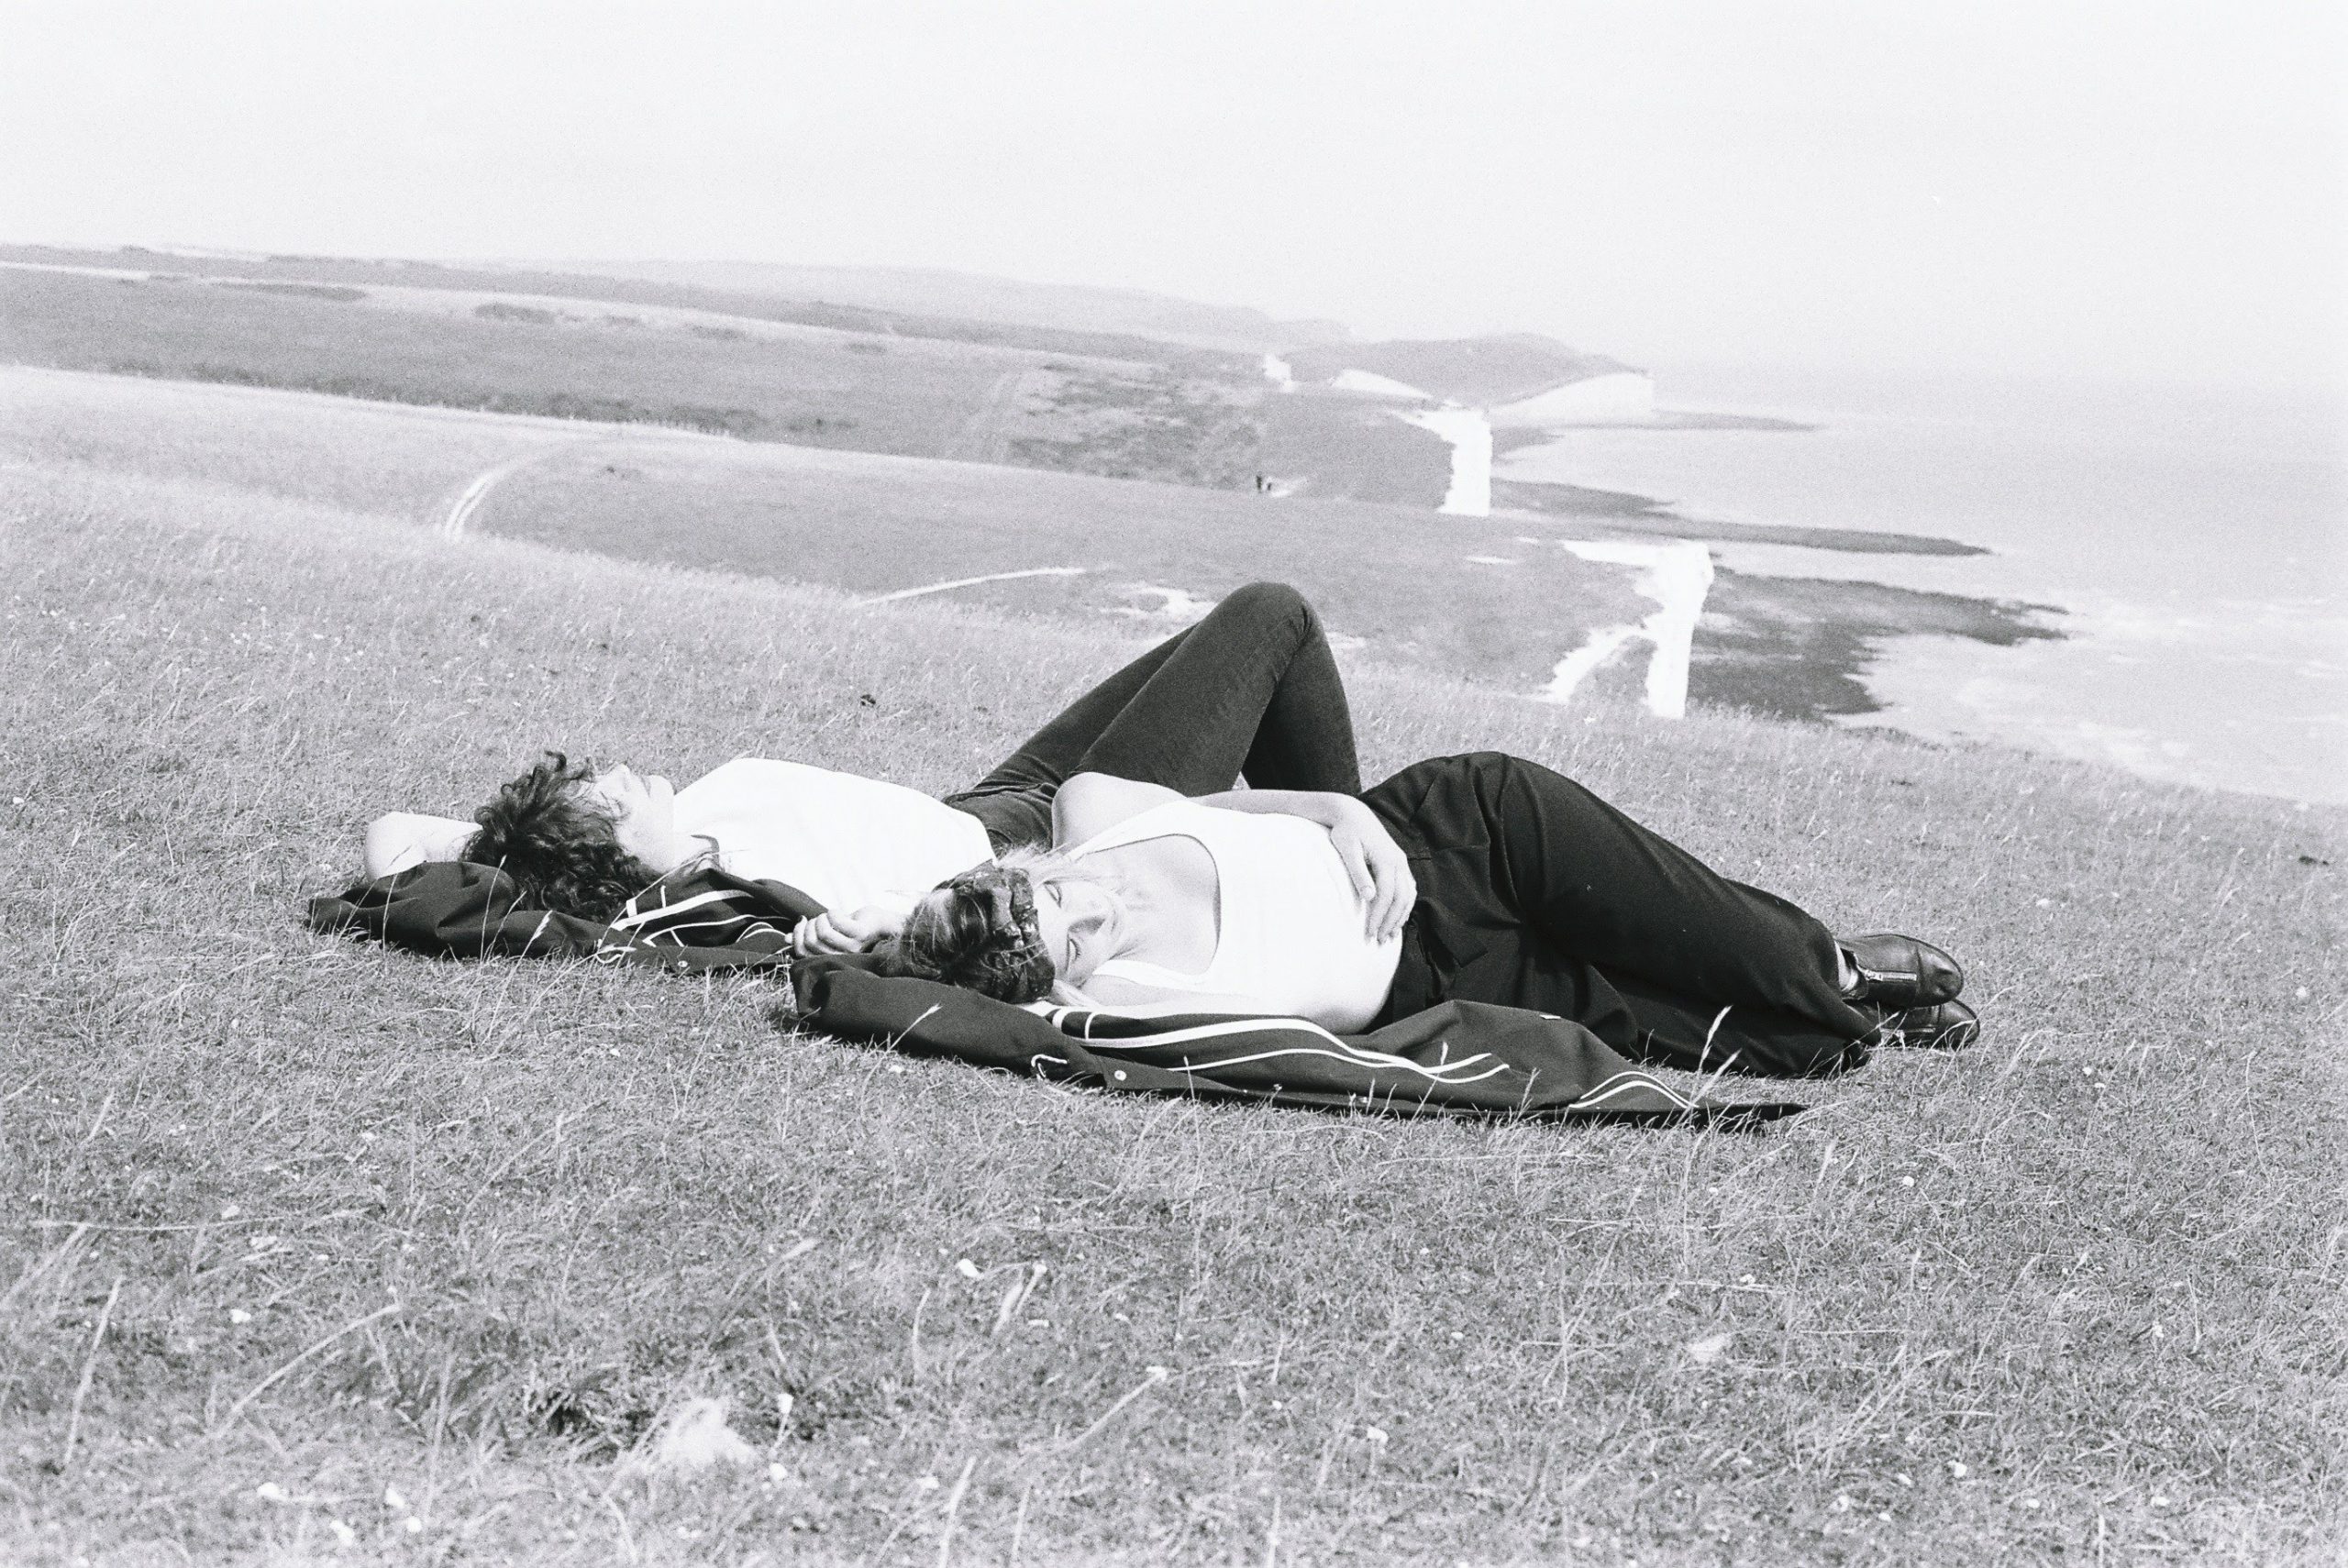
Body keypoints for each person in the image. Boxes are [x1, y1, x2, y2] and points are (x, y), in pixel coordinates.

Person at [358, 583, 1409, 955]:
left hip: (985, 797)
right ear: (610, 853)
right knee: (1271, 618)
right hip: (1037, 839)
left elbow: (400, 831)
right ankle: (1378, 893)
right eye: (606, 797)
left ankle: (1354, 869)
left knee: (1221, 650)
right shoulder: (738, 897)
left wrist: (491, 846)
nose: (623, 772)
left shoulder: (694, 822)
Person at [876, 757, 1978, 1079]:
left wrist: (1340, 810)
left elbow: (1227, 801)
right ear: (1067, 979)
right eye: (1081, 937)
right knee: (1782, 1054)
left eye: (1064, 893)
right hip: (1437, 977)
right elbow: (947, 1002)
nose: (1098, 908)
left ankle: (1830, 961)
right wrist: (871, 950)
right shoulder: (1112, 999)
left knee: (1692, 926)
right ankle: (1840, 1018)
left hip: (1457, 834)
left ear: (1033, 861)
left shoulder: (1092, 816)